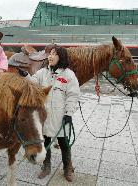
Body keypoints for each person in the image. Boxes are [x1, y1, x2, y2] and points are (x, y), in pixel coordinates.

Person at [20, 46, 80, 182]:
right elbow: (34, 84)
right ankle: (46, 167)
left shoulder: (68, 74)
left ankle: (67, 168)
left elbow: (73, 95)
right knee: (46, 141)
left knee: (64, 143)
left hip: (61, 116)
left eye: (54, 54)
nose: (50, 56)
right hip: (45, 116)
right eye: (50, 54)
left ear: (61, 57)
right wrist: (26, 76)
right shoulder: (42, 72)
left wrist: (68, 114)